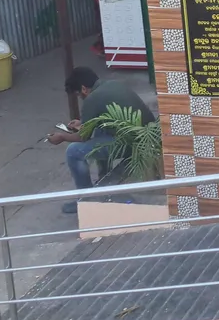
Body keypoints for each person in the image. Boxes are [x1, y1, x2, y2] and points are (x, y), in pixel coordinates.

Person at [48, 67, 155, 213]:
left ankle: (85, 200)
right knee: (99, 129)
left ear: (84, 89)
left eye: (79, 95)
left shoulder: (92, 99)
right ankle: (103, 177)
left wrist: (62, 137)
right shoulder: (112, 84)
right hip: (146, 137)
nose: (81, 98)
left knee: (73, 152)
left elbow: (82, 137)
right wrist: (82, 123)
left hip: (133, 145)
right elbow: (101, 118)